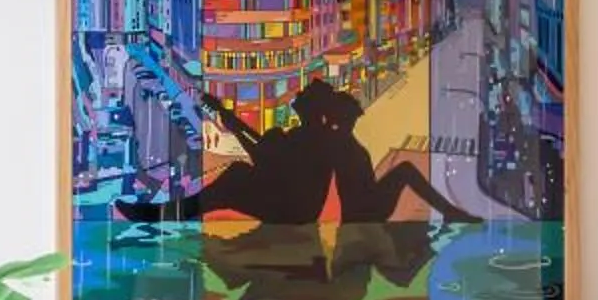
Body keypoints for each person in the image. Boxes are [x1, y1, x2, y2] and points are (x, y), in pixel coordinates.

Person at [117, 79, 475, 225]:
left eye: (301, 99)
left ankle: (162, 214)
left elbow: (263, 157)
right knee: (238, 176)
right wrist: (226, 117)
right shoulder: (310, 136)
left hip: (294, 211)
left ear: (312, 109)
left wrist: (227, 118)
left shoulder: (314, 138)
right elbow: (265, 155)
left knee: (236, 178)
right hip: (294, 205)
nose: (295, 100)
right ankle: (163, 213)